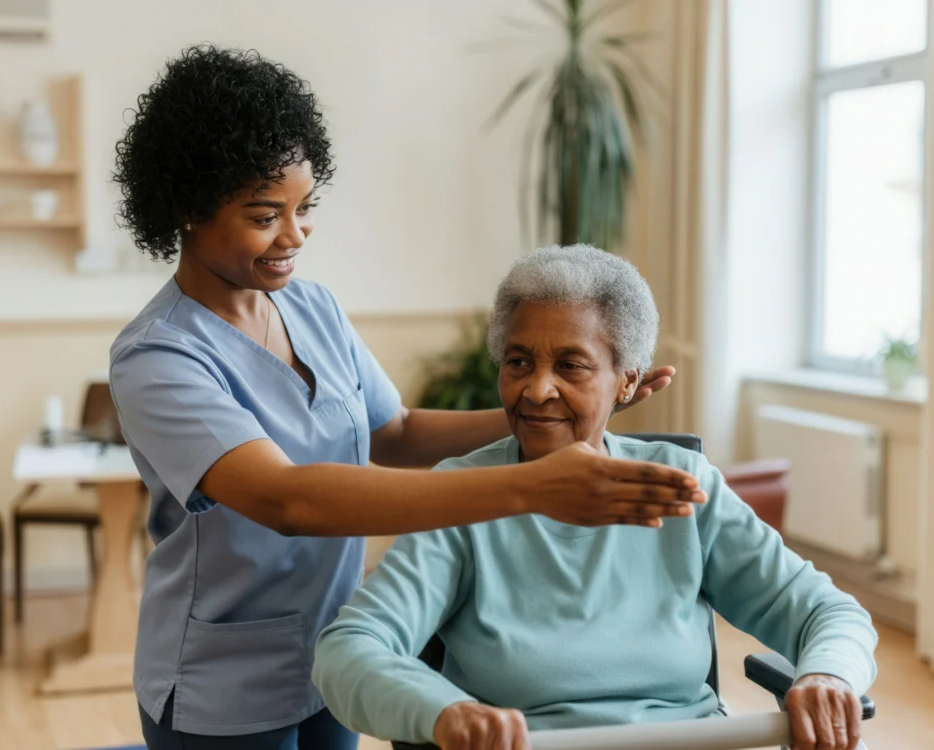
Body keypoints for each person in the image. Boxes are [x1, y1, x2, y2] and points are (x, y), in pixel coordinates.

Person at [108, 46, 698, 750]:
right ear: (187, 209)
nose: (295, 235)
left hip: (335, 652)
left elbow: (399, 432)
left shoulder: (313, 308)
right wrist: (530, 487)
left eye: (305, 207)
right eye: (265, 215)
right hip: (222, 677)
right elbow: (286, 500)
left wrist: (553, 412)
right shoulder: (159, 355)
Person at [312, 245, 879, 750]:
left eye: (570, 366)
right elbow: (349, 649)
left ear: (627, 381)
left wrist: (827, 675)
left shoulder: (682, 483)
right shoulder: (464, 495)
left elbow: (829, 613)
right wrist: (445, 713)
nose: (537, 389)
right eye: (518, 362)